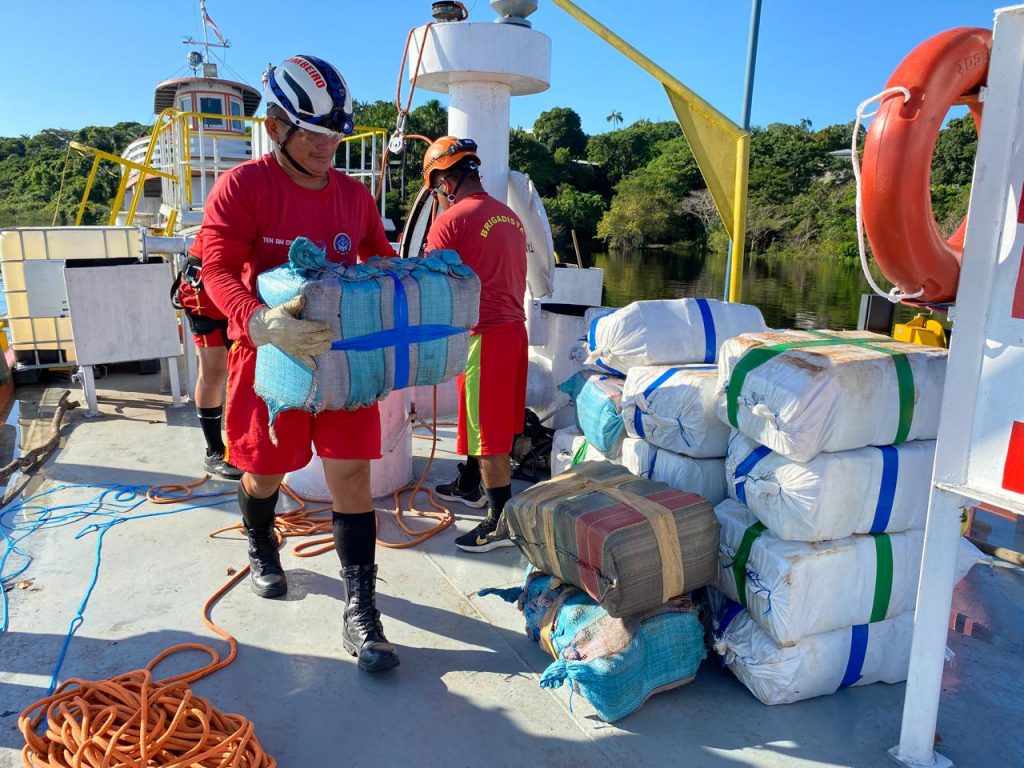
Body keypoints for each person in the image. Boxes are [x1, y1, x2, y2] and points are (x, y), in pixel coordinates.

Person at [198, 54, 399, 673]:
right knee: (262, 475)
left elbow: (380, 259)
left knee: (352, 480)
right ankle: (262, 541)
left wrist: (416, 287)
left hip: (342, 367)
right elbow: (218, 269)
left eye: (334, 133)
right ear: (275, 128)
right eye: (311, 132)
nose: (325, 146)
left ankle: (361, 612)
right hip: (270, 362)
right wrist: (257, 320)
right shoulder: (243, 187)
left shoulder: (353, 195)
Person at [422, 136, 528, 554]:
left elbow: (429, 282)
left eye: (436, 187)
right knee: (483, 419)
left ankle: (499, 522)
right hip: (513, 333)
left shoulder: (450, 222)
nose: (438, 195)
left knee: (489, 435)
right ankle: (470, 484)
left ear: (446, 181)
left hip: (484, 337)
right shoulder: (509, 217)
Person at [171, 241, 243, 480]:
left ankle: (248, 445)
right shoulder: (232, 204)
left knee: (249, 368)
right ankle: (214, 450)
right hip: (206, 287)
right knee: (214, 370)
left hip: (242, 282)